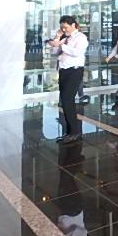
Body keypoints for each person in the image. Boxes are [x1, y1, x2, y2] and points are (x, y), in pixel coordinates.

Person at [48, 15, 88, 144]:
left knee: (67, 101)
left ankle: (75, 132)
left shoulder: (81, 37)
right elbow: (54, 52)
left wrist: (61, 45)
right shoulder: (65, 38)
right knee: (65, 102)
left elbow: (76, 52)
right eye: (62, 28)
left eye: (65, 27)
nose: (64, 30)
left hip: (74, 71)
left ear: (73, 25)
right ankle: (71, 132)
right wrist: (57, 38)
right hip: (63, 71)